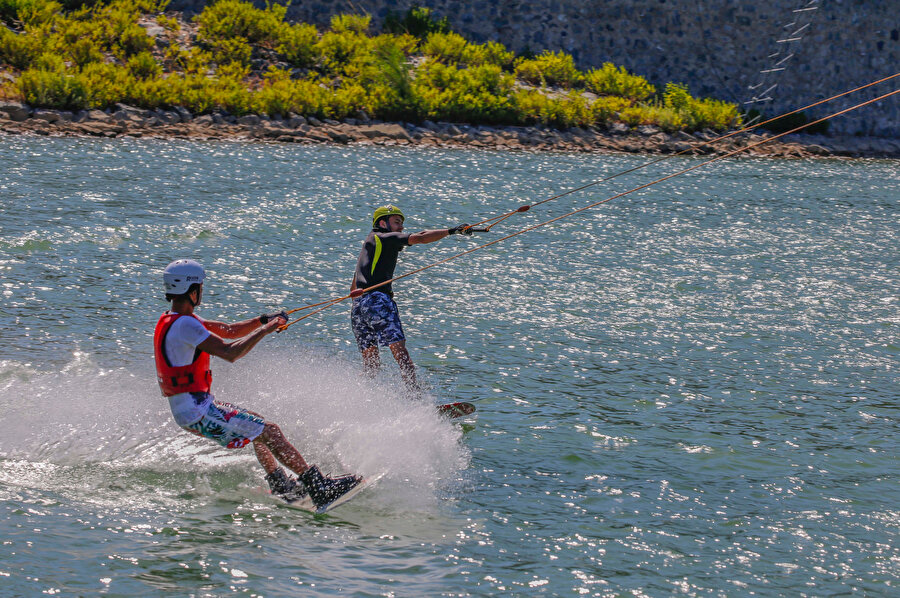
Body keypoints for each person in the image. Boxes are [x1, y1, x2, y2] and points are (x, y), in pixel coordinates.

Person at [154, 259, 361, 509]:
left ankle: (281, 484)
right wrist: (266, 330)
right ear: (193, 290)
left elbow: (229, 330)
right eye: (201, 286)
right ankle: (318, 487)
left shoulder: (175, 319)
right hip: (197, 411)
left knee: (258, 424)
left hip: (194, 408)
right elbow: (231, 352)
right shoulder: (186, 324)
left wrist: (264, 320)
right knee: (270, 431)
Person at [350, 205, 472, 390]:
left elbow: (353, 286)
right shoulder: (383, 236)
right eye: (397, 222)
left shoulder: (370, 243)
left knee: (371, 364)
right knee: (399, 349)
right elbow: (421, 237)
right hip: (377, 300)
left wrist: (361, 303)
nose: (401, 227)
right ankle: (414, 394)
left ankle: (356, 395)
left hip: (359, 307)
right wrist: (451, 231)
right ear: (382, 223)